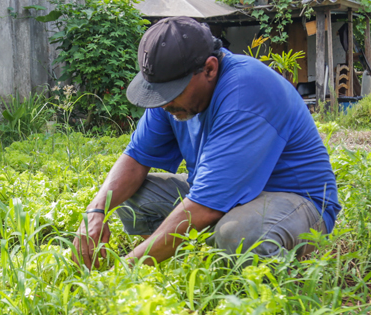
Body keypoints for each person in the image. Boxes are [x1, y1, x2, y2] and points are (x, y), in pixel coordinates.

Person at [71, 16, 341, 269]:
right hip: (225, 199)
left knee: (240, 235)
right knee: (131, 193)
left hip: (296, 201)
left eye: (171, 93)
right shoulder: (168, 96)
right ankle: (199, 254)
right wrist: (95, 211)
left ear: (210, 68)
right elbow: (135, 158)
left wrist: (125, 270)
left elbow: (205, 206)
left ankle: (250, 258)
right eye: (158, 94)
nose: (164, 103)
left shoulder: (245, 91)